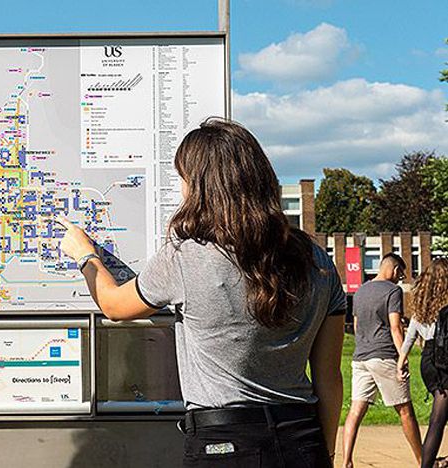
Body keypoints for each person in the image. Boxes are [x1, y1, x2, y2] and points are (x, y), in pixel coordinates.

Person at [58, 118, 346, 467]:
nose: (181, 188)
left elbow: (114, 305)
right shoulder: (317, 260)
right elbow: (329, 379)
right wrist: (326, 454)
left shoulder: (188, 255)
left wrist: (85, 255)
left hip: (224, 444)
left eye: (184, 178)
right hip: (302, 440)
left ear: (202, 186)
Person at [341, 253, 421, 467]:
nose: (401, 278)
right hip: (384, 355)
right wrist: (402, 358)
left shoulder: (360, 291)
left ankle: (347, 461)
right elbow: (395, 327)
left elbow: (357, 326)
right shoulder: (393, 290)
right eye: (401, 274)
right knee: (405, 410)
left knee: (356, 410)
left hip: (361, 357)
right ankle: (424, 460)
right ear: (394, 270)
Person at [398, 258, 448, 468]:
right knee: (438, 419)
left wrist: (401, 361)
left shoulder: (422, 304)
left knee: (441, 415)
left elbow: (410, 336)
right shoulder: (445, 308)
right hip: (444, 360)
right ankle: (426, 465)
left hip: (428, 360)